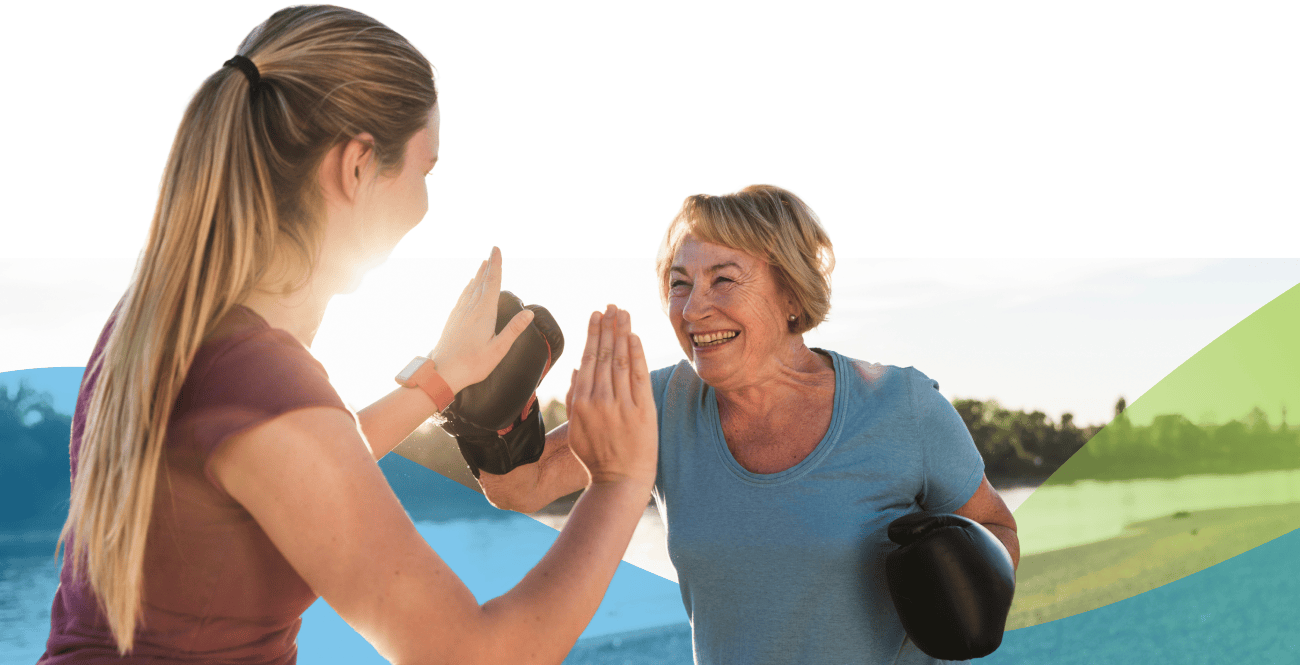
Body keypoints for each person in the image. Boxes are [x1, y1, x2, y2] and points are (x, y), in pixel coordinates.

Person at [41, 6, 656, 664]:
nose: (425, 203)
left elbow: (295, 471)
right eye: (426, 170)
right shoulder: (257, 376)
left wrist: (439, 379)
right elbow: (479, 654)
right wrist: (621, 480)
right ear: (357, 165)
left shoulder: (160, 321)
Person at [479, 185, 1020, 665]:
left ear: (789, 293)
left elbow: (997, 527)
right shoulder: (662, 403)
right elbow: (520, 486)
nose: (693, 310)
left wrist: (965, 594)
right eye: (680, 283)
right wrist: (477, 406)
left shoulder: (900, 406)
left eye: (723, 281)